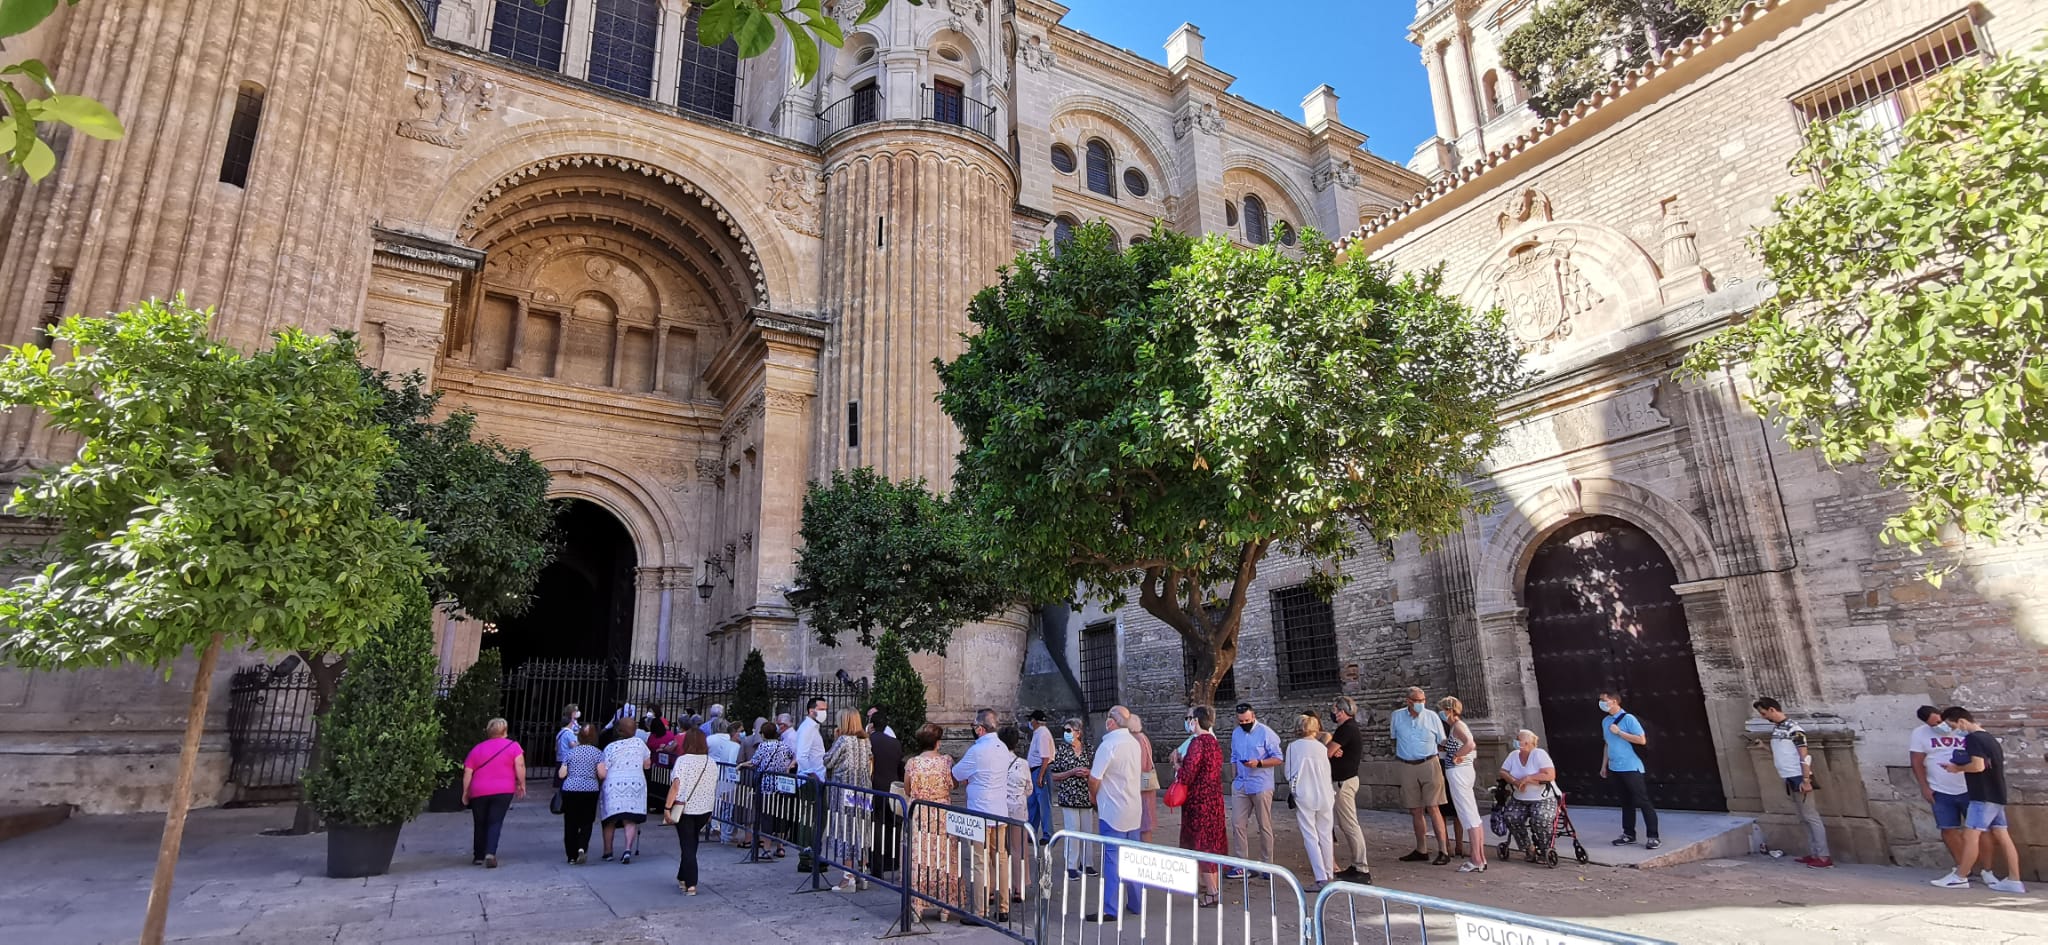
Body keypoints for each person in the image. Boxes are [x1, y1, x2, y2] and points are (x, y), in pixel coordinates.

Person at [1938, 707, 2026, 893]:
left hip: (1982, 797)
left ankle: (1960, 877)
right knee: (2003, 836)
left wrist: (1956, 768)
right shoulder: (1990, 738)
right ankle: (2014, 879)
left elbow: (1978, 767)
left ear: (1961, 721)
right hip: (1997, 795)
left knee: (1971, 836)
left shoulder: (1973, 738)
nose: (1953, 730)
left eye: (1952, 725)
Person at [1912, 705, 1986, 887]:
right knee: (1948, 829)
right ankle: (1963, 869)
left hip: (1969, 788)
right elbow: (1916, 761)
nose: (1938, 726)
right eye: (1933, 725)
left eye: (1939, 722)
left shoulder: (1961, 729)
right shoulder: (1919, 734)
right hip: (1940, 789)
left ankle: (1987, 870)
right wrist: (1925, 787)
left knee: (1981, 831)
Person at [1753, 697, 1831, 868]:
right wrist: (1763, 747)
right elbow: (1782, 755)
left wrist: (1806, 779)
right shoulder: (1778, 729)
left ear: (1773, 709)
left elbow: (1804, 756)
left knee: (1811, 817)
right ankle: (1814, 853)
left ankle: (1824, 856)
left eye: (1764, 713)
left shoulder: (1794, 729)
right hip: (1788, 776)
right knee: (1803, 817)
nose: (1763, 716)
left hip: (1799, 777)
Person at [952, 709, 1015, 919]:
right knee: (1001, 859)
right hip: (999, 809)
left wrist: (971, 780)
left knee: (980, 861)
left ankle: (980, 910)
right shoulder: (1003, 748)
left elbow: (957, 773)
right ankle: (1004, 907)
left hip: (980, 810)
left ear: (980, 728)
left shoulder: (976, 751)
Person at [1084, 705, 1144, 923]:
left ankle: (1111, 908)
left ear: (1111, 722)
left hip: (1112, 810)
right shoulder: (1134, 743)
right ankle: (1136, 902)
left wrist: (1093, 796)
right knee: (1134, 857)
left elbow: (1094, 778)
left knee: (1112, 859)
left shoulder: (1108, 745)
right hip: (1133, 807)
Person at [904, 723, 961, 922]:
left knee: (920, 858)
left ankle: (918, 905)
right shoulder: (946, 761)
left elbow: (908, 788)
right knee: (943, 859)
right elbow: (953, 784)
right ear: (938, 743)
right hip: (942, 814)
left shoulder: (912, 763)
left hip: (921, 813)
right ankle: (944, 907)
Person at [1391, 686, 1450, 865]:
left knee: (1434, 807)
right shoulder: (1397, 716)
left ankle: (1443, 850)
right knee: (1415, 809)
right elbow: (1394, 737)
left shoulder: (1432, 716)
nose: (1421, 704)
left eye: (1423, 700)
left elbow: (1443, 740)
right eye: (1417, 701)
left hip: (1429, 763)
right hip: (1407, 764)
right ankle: (1421, 848)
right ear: (1409, 701)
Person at [1223, 702, 1282, 880]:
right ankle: (1242, 864)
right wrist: (1234, 776)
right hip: (1241, 784)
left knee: (1264, 825)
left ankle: (1267, 865)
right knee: (1237, 824)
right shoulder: (1236, 733)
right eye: (1241, 721)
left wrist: (1259, 763)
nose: (1244, 723)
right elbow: (1233, 755)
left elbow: (1278, 758)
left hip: (1260, 784)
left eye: (1247, 720)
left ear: (1253, 716)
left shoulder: (1266, 733)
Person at [1176, 706, 1228, 908]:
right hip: (1214, 799)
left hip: (1198, 802)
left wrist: (1180, 767)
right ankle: (1213, 887)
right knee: (1212, 843)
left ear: (1196, 721)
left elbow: (1188, 775)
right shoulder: (1214, 743)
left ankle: (1212, 892)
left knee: (1201, 844)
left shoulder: (1197, 744)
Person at [1597, 691, 1658, 850]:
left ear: (1615, 701)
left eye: (1605, 700)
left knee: (1643, 800)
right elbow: (1607, 743)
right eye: (1601, 700)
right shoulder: (1605, 721)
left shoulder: (1628, 719)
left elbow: (1641, 739)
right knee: (1626, 802)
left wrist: (1620, 732)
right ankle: (1628, 833)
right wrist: (1604, 765)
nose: (1602, 703)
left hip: (1631, 766)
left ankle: (1653, 836)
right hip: (1615, 767)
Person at [462, 718, 526, 868]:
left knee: (480, 822)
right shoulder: (513, 746)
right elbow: (520, 765)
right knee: (495, 821)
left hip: (479, 790)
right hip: (504, 789)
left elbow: (468, 771)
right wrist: (521, 784)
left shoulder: (477, 749)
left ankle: (478, 855)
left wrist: (465, 791)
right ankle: (490, 852)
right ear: (504, 730)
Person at [824, 708, 874, 892]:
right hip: (863, 791)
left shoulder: (843, 741)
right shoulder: (865, 740)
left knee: (847, 829)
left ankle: (848, 877)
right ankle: (863, 871)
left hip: (845, 791)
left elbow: (828, 761)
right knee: (862, 828)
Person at [1286, 714, 1336, 892]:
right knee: (1325, 834)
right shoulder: (1321, 748)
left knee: (1310, 836)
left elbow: (1290, 773)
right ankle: (1329, 872)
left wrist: (1293, 791)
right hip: (1325, 793)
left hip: (1304, 794)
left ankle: (1320, 876)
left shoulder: (1294, 747)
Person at [666, 729, 719, 895]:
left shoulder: (682, 761)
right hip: (704, 808)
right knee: (691, 841)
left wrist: (667, 808)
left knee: (687, 844)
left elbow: (676, 786)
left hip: (685, 808)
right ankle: (682, 876)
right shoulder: (711, 762)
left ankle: (691, 883)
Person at [1437, 698, 1485, 873]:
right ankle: (1480, 858)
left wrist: (1457, 755)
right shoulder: (1457, 728)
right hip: (1459, 772)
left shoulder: (1458, 726)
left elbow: (1470, 744)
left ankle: (1476, 859)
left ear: (1449, 710)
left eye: (1442, 710)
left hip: (1458, 772)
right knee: (1472, 814)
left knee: (1467, 815)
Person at [1326, 696, 1370, 884]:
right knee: (1346, 824)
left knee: (1350, 825)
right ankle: (1357, 865)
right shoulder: (1347, 729)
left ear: (1341, 712)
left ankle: (1361, 867)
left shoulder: (1346, 729)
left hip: (1344, 782)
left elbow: (1326, 752)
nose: (1333, 713)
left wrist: (1330, 748)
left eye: (1335, 710)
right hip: (1344, 780)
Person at [1049, 717, 1098, 881]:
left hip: (1086, 795)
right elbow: (1054, 775)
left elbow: (1097, 771)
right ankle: (1071, 865)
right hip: (1069, 796)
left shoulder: (1089, 750)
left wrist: (1088, 773)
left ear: (1078, 733)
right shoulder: (1061, 750)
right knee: (1072, 830)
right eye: (1065, 730)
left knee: (1087, 830)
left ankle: (1087, 863)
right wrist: (1071, 772)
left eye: (1069, 730)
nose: (1066, 733)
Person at [599, 714, 652, 863]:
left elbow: (604, 768)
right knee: (630, 818)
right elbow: (647, 764)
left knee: (609, 820)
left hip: (613, 783)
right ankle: (627, 849)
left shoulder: (610, 747)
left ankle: (608, 851)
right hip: (634, 783)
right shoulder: (640, 743)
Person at [1498, 729, 1557, 860]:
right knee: (1511, 817)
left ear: (1527, 743)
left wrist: (1528, 779)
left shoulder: (1539, 754)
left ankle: (1545, 849)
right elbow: (1503, 771)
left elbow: (1550, 775)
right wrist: (1515, 781)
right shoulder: (1513, 755)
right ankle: (1528, 848)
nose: (1515, 741)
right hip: (1520, 798)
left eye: (1518, 739)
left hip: (1542, 798)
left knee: (1540, 818)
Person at [742, 719, 794, 858]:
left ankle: (766, 848)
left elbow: (754, 762)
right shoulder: (784, 746)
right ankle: (781, 847)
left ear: (763, 734)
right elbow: (792, 756)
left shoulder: (763, 747)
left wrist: (741, 765)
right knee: (781, 816)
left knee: (766, 818)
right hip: (782, 786)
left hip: (766, 787)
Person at [557, 723, 604, 865]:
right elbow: (602, 774)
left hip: (570, 789)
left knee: (570, 822)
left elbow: (561, 774)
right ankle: (582, 847)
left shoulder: (571, 753)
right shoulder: (597, 753)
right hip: (590, 789)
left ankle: (571, 855)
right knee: (586, 821)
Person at [793, 696, 830, 875]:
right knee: (810, 819)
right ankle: (806, 856)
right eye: (822, 709)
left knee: (819, 819)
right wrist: (812, 774)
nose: (824, 713)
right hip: (811, 780)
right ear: (811, 710)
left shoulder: (813, 728)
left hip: (817, 777)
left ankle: (814, 853)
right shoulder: (808, 728)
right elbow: (801, 756)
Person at [868, 708, 906, 876]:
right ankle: (892, 862)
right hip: (891, 789)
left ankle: (876, 866)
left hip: (875, 787)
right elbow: (900, 766)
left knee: (876, 826)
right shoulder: (895, 743)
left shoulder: (868, 741)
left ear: (872, 725)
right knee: (893, 826)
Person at [707, 720, 742, 844]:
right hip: (730, 780)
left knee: (724, 806)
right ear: (735, 733)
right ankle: (726, 835)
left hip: (723, 778)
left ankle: (724, 833)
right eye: (741, 731)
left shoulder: (727, 745)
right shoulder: (736, 747)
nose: (743, 734)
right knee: (729, 808)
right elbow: (733, 763)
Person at [1027, 710, 1056, 846]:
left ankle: (1048, 833)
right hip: (1034, 770)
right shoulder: (1037, 733)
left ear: (1035, 721)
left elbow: (1045, 757)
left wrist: (1041, 775)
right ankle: (1031, 831)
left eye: (1031, 720)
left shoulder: (1043, 733)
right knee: (1033, 803)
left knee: (1044, 804)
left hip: (1040, 769)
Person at [1129, 713, 1160, 843]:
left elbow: (1139, 764)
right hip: (1147, 784)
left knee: (1143, 823)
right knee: (1145, 822)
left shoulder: (1136, 740)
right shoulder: (1143, 738)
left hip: (1140, 786)